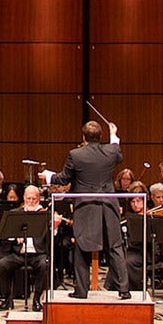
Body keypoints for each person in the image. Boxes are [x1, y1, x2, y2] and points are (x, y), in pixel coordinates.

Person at [43, 119, 127, 299]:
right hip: (108, 204)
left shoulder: (76, 154)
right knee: (115, 246)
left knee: (81, 247)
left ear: (84, 137)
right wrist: (114, 134)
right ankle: (124, 289)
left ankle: (81, 290)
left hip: (86, 206)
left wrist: (49, 176)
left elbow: (64, 178)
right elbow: (117, 154)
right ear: (100, 136)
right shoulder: (111, 151)